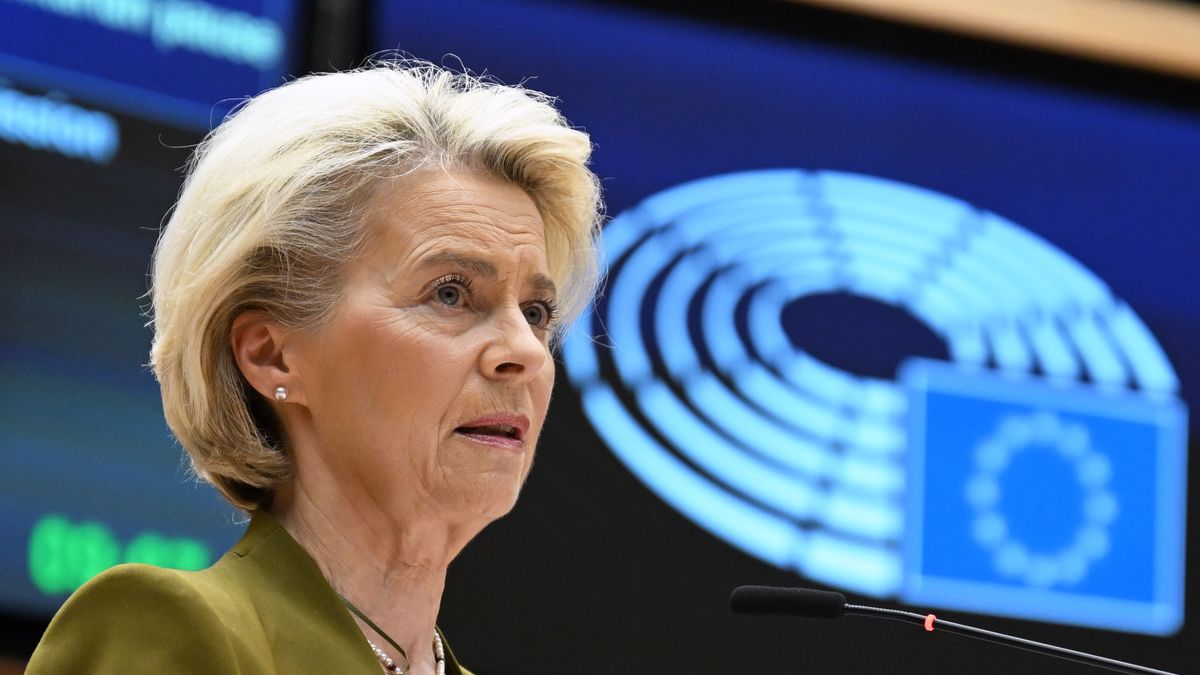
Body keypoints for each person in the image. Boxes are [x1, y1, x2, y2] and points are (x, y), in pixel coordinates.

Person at [26, 60, 602, 674]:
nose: (527, 351)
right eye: (451, 293)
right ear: (272, 353)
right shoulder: (171, 632)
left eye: (536, 311)